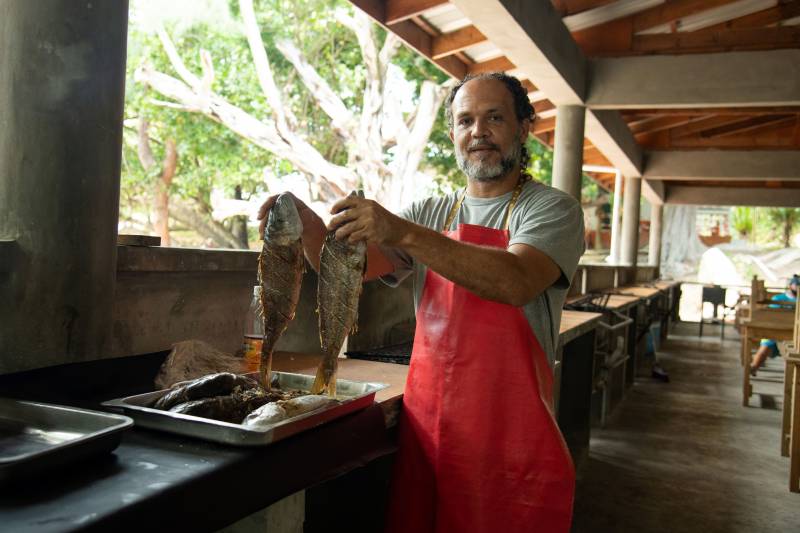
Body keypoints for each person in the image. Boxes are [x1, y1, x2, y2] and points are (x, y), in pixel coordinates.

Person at [258, 72, 585, 532]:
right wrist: (305, 224)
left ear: (524, 128)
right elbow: (360, 268)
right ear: (452, 133)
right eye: (466, 120)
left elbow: (516, 281)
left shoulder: (551, 209)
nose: (479, 132)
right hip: (429, 425)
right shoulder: (432, 212)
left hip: (508, 437)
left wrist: (405, 232)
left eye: (494, 118)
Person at [750, 275, 799, 375]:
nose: (798, 287)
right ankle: (753, 367)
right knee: (765, 348)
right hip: (775, 331)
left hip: (794, 333)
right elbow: (771, 316)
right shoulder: (778, 298)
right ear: (790, 286)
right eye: (796, 285)